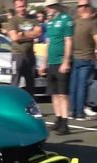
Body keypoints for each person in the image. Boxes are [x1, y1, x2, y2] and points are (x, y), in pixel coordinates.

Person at [39, 0, 74, 134]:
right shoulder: (50, 22)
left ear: (55, 6)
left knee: (62, 94)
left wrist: (66, 61)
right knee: (53, 93)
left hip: (60, 61)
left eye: (49, 6)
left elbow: (68, 41)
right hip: (51, 62)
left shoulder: (66, 19)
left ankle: (65, 122)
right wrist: (44, 63)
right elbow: (48, 43)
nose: (47, 9)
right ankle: (58, 118)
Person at [69, 0, 97, 120]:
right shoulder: (90, 23)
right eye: (81, 6)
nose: (82, 8)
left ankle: (73, 111)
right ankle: (78, 112)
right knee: (79, 86)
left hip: (80, 57)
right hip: (83, 58)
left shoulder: (77, 22)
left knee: (76, 85)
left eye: (83, 6)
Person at [7, 0, 42, 95]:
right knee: (15, 82)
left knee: (31, 83)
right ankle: (13, 103)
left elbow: (38, 33)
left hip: (30, 55)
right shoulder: (13, 20)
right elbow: (15, 37)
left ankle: (30, 105)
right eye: (19, 7)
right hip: (18, 55)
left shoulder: (33, 19)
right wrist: (31, 34)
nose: (22, 8)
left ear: (26, 6)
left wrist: (22, 34)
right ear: (15, 7)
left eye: (23, 6)